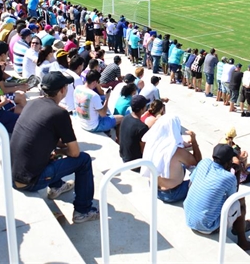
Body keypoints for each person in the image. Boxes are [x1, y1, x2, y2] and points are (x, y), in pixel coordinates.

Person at [10, 72, 99, 223]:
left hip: (13, 174)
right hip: (30, 181)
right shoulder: (60, 113)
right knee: (84, 160)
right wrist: (61, 150)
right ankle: (82, 211)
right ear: (62, 90)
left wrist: (57, 148)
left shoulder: (32, 103)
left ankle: (57, 185)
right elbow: (75, 153)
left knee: (48, 151)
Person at [184, 144, 250, 252]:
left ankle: (239, 226)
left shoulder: (204, 162)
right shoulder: (229, 177)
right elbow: (234, 197)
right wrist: (238, 171)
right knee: (240, 201)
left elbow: (193, 181)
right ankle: (243, 242)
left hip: (189, 218)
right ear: (228, 162)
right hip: (207, 227)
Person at [140, 115, 201, 203]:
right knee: (200, 175)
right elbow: (198, 162)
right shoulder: (177, 151)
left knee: (179, 164)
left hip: (154, 187)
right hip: (172, 193)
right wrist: (194, 141)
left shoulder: (152, 143)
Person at [74, 70, 123, 134]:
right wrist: (107, 98)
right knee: (121, 117)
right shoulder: (94, 95)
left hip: (81, 121)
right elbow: (103, 114)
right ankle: (118, 139)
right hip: (92, 126)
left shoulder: (77, 88)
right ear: (94, 82)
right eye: (98, 82)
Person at [119, 95, 149, 164]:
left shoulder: (125, 118)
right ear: (142, 109)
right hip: (134, 163)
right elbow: (144, 150)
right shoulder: (142, 127)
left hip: (124, 157)